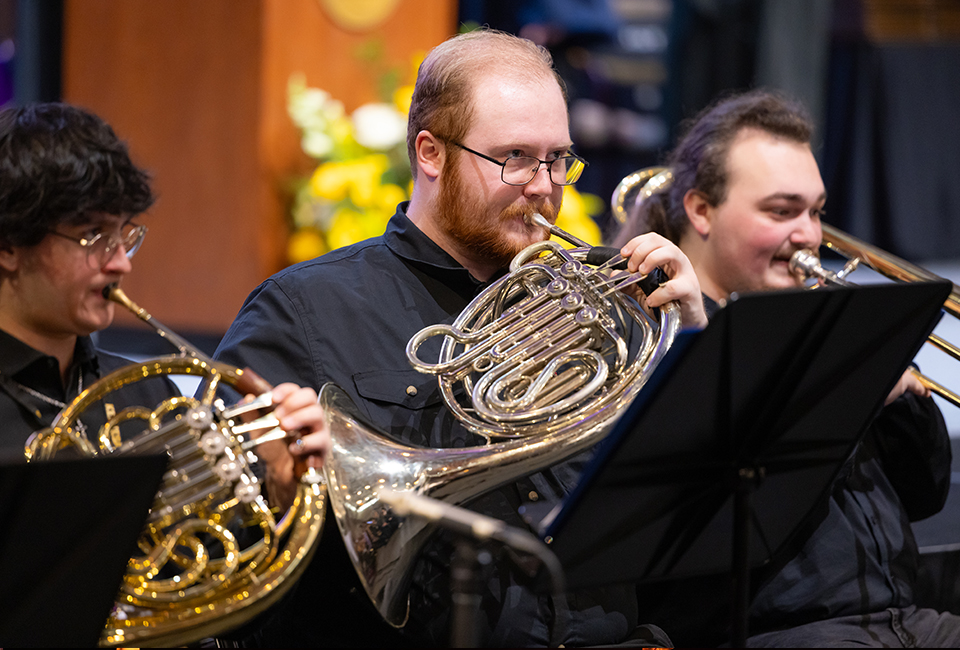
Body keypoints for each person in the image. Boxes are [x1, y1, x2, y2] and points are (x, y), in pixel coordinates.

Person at [212, 28, 707, 647]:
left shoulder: (603, 299)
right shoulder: (304, 310)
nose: (544, 186)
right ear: (431, 153)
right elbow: (233, 535)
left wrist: (690, 345)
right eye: (516, 158)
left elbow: (687, 502)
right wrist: (281, 486)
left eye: (559, 159)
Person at [614, 89, 960, 647]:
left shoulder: (822, 322)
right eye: (782, 211)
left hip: (909, 622)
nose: (809, 235)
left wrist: (900, 399)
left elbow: (924, 497)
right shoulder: (638, 336)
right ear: (701, 210)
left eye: (816, 211)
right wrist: (703, 343)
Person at [0, 102, 330, 506]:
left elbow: (215, 557)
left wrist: (281, 490)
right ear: (9, 245)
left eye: (124, 235)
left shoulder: (152, 394)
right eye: (93, 235)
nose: (120, 261)